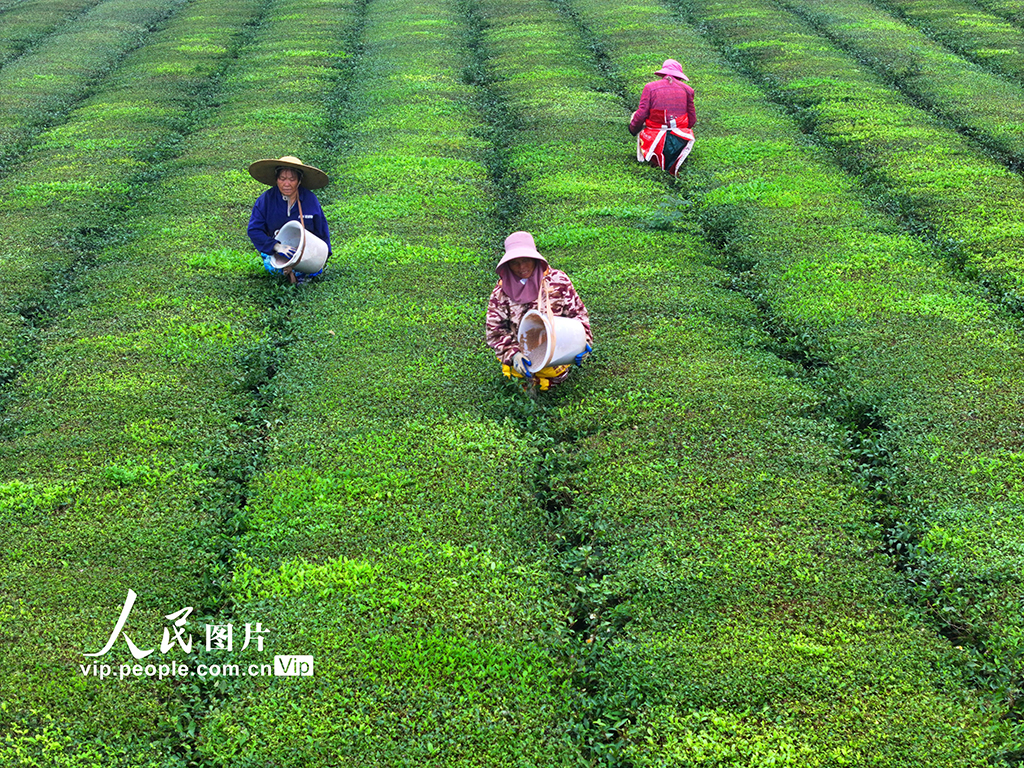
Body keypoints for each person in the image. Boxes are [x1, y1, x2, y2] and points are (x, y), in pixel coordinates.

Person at [486, 231, 592, 392]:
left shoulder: (558, 281)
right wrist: (513, 355)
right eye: (515, 263)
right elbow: (495, 331)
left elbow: (578, 314)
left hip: (557, 356)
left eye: (526, 260)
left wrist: (583, 343)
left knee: (554, 382)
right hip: (522, 361)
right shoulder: (501, 292)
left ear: (535, 259)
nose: (522, 268)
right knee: (519, 385)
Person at [247, 155, 331, 284]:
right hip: (277, 251)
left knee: (313, 270)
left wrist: (324, 255)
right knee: (275, 271)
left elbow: (321, 229)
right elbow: (254, 230)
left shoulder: (310, 200)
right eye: (282, 178)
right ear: (276, 179)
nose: (287, 184)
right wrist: (276, 246)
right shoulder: (265, 200)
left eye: (292, 179)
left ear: (299, 180)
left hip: (306, 251)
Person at [629, 59, 695, 176]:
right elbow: (692, 119)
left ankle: (646, 156)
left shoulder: (650, 88)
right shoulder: (688, 90)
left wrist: (633, 129)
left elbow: (642, 114)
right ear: (679, 76)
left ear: (663, 74)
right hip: (679, 138)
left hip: (654, 137)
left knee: (635, 115)